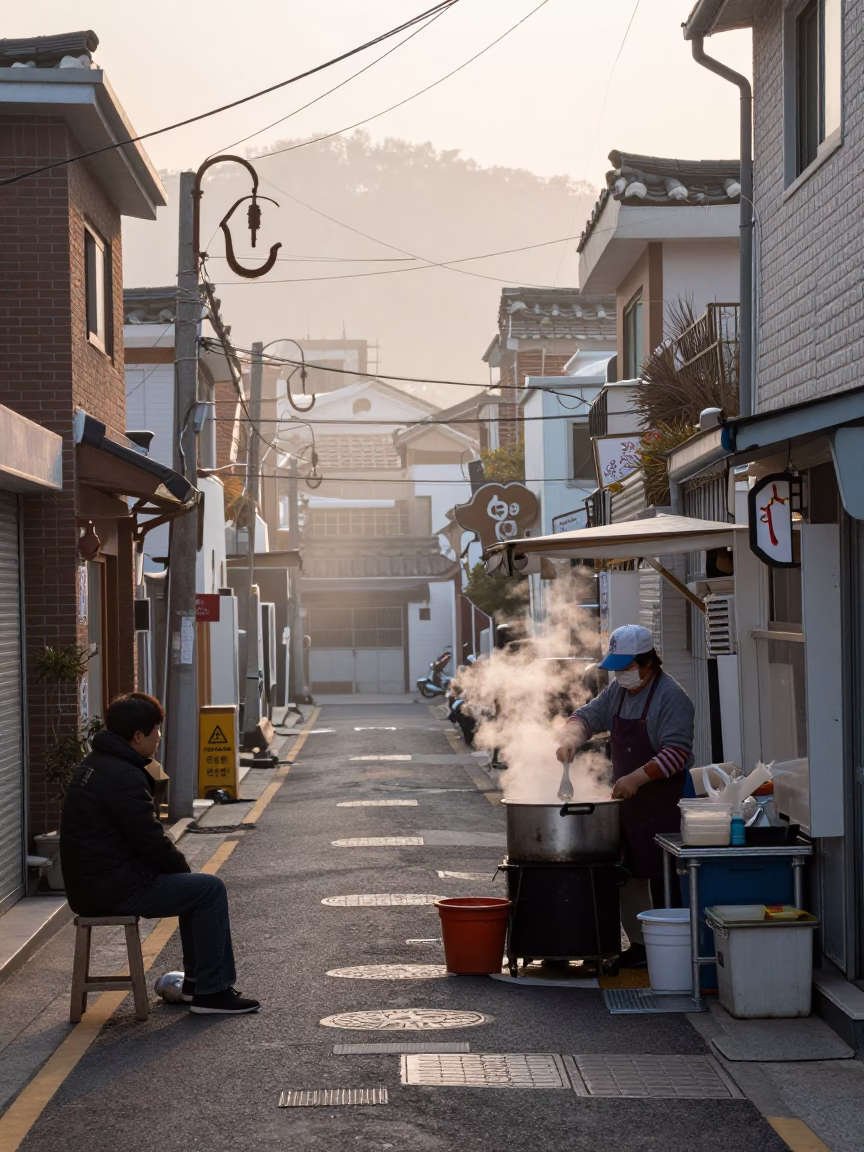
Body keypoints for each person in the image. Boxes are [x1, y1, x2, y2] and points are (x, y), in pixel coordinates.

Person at [60, 692, 260, 1015]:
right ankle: (212, 993)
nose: (159, 738)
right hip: (114, 889)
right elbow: (150, 840)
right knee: (208, 889)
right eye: (156, 730)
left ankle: (198, 985)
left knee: (194, 888)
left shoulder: (95, 765)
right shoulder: (122, 776)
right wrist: (183, 871)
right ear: (137, 736)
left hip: (93, 886)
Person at [556, 624, 694, 965]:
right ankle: (640, 946)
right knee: (627, 873)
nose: (620, 674)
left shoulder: (671, 697)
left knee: (662, 876)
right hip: (628, 805)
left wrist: (637, 776)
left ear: (648, 663)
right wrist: (571, 736)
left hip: (664, 804)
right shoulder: (617, 692)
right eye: (616, 668)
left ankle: (668, 948)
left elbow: (677, 752)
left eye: (626, 667)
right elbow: (588, 715)